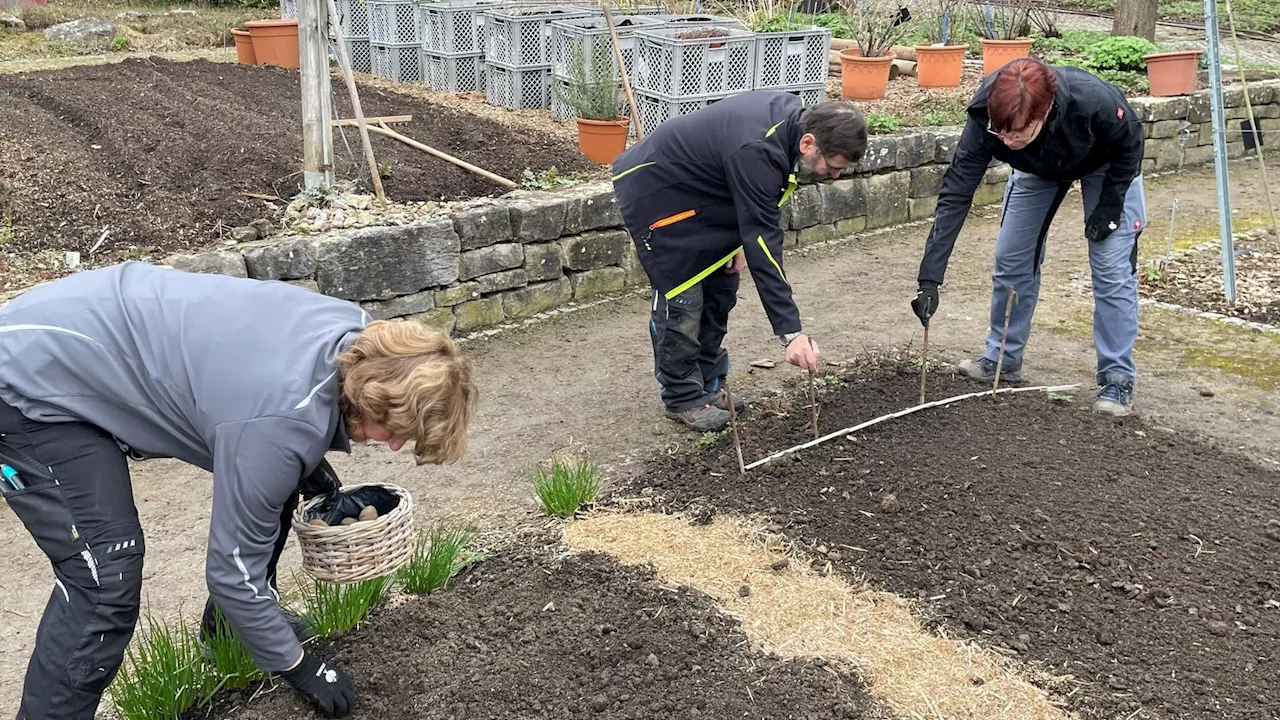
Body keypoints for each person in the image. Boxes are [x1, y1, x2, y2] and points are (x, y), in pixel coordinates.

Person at [0, 261, 476, 720]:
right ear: (370, 396)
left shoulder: (355, 335)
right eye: (396, 429)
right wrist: (300, 666)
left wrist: (303, 460)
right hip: (26, 380)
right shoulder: (280, 424)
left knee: (276, 480)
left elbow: (262, 406)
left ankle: (228, 631)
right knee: (106, 576)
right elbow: (230, 570)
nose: (394, 445)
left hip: (94, 325)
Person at [612, 92, 869, 431]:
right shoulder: (758, 149)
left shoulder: (791, 130)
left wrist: (741, 238)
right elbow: (765, 241)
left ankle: (708, 385)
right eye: (832, 167)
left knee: (721, 291)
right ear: (809, 142)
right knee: (684, 300)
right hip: (659, 195)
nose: (834, 176)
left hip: (707, 193)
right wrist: (790, 333)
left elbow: (757, 213)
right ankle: (682, 398)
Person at [910, 58, 1147, 416]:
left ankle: (1116, 377)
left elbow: (1130, 142)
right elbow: (957, 192)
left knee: (1111, 270)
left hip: (1106, 165)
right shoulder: (986, 118)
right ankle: (1002, 358)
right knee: (1011, 259)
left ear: (1046, 111)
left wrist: (1110, 207)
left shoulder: (1092, 99)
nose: (1006, 140)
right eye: (1001, 133)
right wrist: (930, 278)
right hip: (1035, 168)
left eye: (1017, 132)